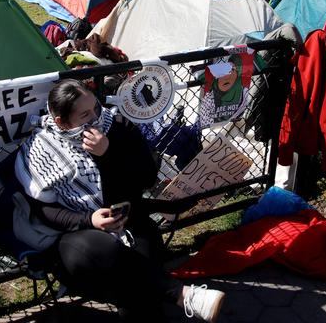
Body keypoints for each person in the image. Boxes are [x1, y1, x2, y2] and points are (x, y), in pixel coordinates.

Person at [13, 79, 226, 322]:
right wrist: (88, 219)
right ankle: (182, 294)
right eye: (85, 115)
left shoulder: (118, 125)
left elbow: (147, 176)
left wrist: (108, 154)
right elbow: (43, 210)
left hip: (129, 220)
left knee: (137, 287)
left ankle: (171, 299)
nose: (95, 117)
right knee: (101, 252)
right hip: (76, 233)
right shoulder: (40, 149)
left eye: (96, 108)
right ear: (61, 122)